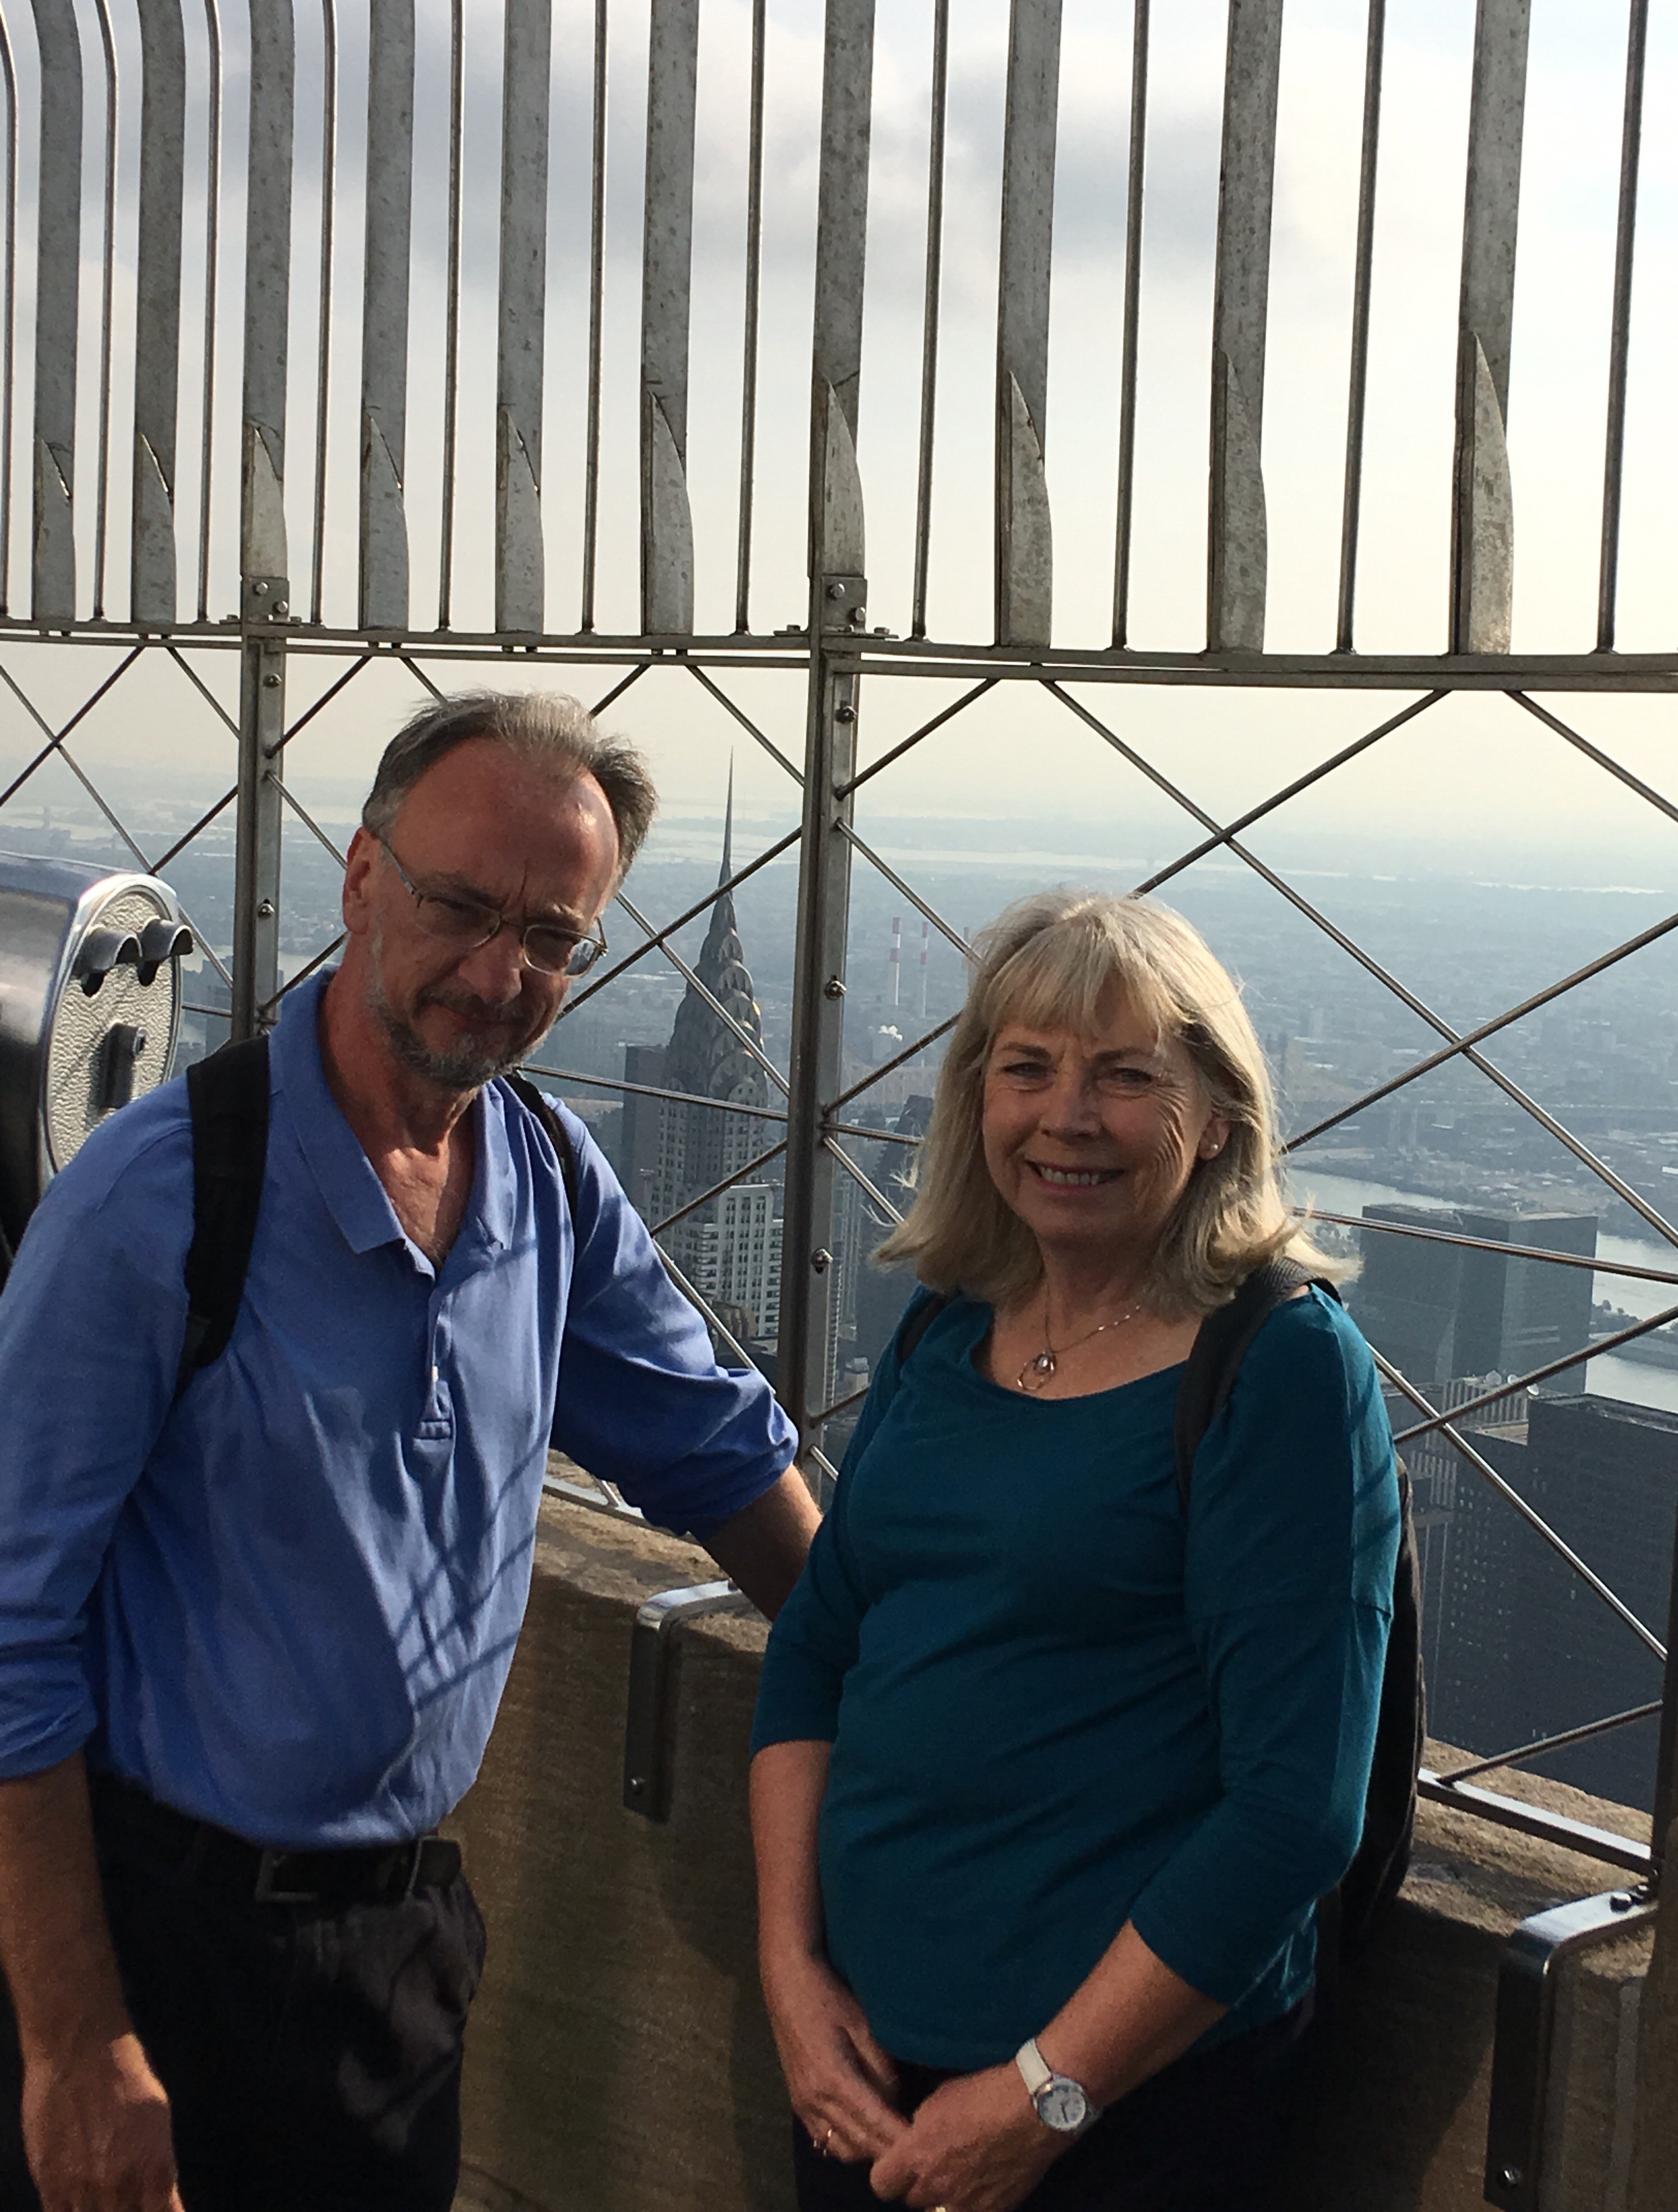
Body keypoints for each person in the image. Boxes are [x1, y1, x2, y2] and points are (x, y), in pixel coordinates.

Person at [0, 692, 819, 2212]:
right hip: (148, 1944)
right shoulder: (154, 1201)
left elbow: (719, 1449)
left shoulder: (548, 1178)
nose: (500, 973)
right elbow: (9, 1633)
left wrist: (898, 1695)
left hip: (397, 1955)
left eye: (554, 938)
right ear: (363, 878)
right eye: (460, 906)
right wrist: (72, 2044)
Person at [750, 889, 1399, 2212]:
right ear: (974, 1098)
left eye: (1126, 1077)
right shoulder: (949, 1324)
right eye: (1027, 1068)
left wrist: (1047, 2095)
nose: (1068, 1115)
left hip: (1122, 2118)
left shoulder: (1279, 1368)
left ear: (1218, 1117)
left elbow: (1294, 1812)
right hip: (863, 2071)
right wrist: (791, 1973)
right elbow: (817, 1647)